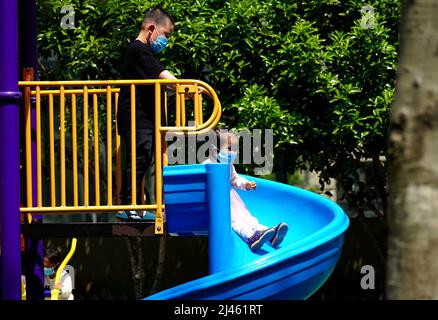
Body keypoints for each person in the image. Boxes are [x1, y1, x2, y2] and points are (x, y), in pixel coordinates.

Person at [116, 7, 177, 220]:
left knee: (144, 158)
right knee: (139, 158)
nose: (166, 41)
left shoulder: (145, 52)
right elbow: (163, 75)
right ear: (152, 28)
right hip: (136, 117)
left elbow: (159, 78)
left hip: (144, 118)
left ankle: (136, 206)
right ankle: (128, 206)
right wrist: (182, 86)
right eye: (166, 35)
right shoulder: (138, 49)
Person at [204, 131, 289, 251]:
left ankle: (269, 234)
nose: (233, 152)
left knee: (248, 218)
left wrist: (246, 184)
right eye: (229, 148)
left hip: (233, 200)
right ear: (215, 150)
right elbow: (201, 185)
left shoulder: (229, 166)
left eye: (235, 149)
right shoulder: (207, 166)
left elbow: (235, 179)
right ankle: (251, 237)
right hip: (220, 204)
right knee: (236, 222)